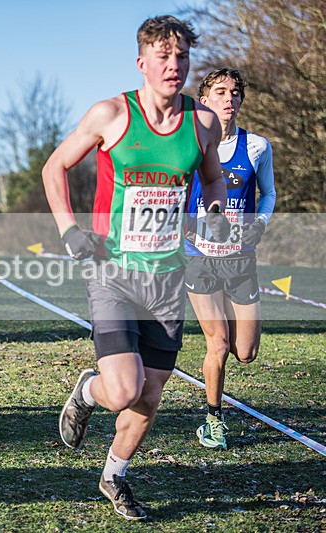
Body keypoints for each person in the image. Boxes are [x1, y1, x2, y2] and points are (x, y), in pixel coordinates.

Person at [42, 16, 230, 520]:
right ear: (141, 62)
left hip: (167, 280)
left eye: (182, 57)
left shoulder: (203, 123)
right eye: (164, 57)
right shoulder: (111, 114)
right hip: (113, 272)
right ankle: (87, 390)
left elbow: (212, 181)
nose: (175, 66)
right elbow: (54, 166)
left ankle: (114, 477)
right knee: (121, 388)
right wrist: (68, 230)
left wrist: (212, 210)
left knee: (148, 397)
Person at [184, 68, 276, 450]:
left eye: (235, 93)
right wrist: (186, 229)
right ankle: (213, 418)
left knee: (246, 352)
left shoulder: (257, 147)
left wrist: (260, 225)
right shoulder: (188, 146)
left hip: (241, 259)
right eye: (220, 92)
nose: (229, 99)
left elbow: (268, 194)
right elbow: (173, 195)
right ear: (204, 100)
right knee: (218, 344)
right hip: (200, 258)